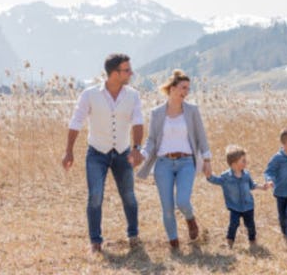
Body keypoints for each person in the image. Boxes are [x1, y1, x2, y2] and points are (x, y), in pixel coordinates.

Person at [62, 53, 144, 254]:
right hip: (96, 153)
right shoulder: (90, 94)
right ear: (114, 73)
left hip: (123, 152)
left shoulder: (133, 95)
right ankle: (95, 241)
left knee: (129, 196)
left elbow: (138, 122)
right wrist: (69, 151)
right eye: (127, 70)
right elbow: (76, 121)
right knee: (95, 196)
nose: (131, 73)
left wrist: (136, 148)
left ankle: (133, 235)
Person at [136, 70, 213, 249]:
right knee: (168, 208)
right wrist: (143, 154)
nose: (186, 92)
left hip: (186, 162)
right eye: (183, 88)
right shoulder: (157, 113)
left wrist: (207, 160)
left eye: (188, 88)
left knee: (183, 201)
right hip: (163, 164)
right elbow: (152, 140)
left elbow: (201, 136)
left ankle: (190, 219)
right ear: (172, 89)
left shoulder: (192, 110)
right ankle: (174, 244)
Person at [208, 145, 269, 247]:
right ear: (234, 163)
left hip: (248, 205)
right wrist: (209, 175)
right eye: (243, 160)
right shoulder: (226, 177)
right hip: (234, 206)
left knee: (250, 225)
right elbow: (216, 180)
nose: (246, 163)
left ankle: (252, 240)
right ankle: (230, 241)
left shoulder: (246, 175)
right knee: (233, 224)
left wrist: (262, 187)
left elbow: (252, 185)